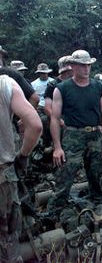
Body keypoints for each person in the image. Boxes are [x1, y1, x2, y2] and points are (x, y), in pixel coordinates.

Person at [48, 50, 102, 211]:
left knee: (96, 173)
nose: (86, 69)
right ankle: (57, 209)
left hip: (94, 135)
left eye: (88, 65)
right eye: (82, 65)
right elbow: (55, 119)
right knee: (66, 174)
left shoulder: (99, 87)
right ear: (73, 66)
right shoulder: (62, 88)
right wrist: (57, 147)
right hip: (72, 135)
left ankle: (99, 202)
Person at [0, 75, 42, 262]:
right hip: (3, 174)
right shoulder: (5, 83)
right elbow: (35, 124)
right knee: (8, 237)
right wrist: (23, 155)